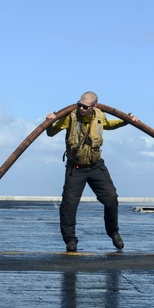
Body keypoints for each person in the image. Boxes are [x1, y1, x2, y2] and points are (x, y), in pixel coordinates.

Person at [45, 91, 135, 252]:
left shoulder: (100, 116)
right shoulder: (69, 116)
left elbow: (108, 125)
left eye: (85, 107)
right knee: (69, 205)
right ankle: (70, 240)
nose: (81, 108)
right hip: (75, 168)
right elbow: (51, 133)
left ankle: (113, 232)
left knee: (111, 198)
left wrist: (126, 121)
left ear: (94, 107)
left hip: (96, 166)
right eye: (79, 104)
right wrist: (50, 121)